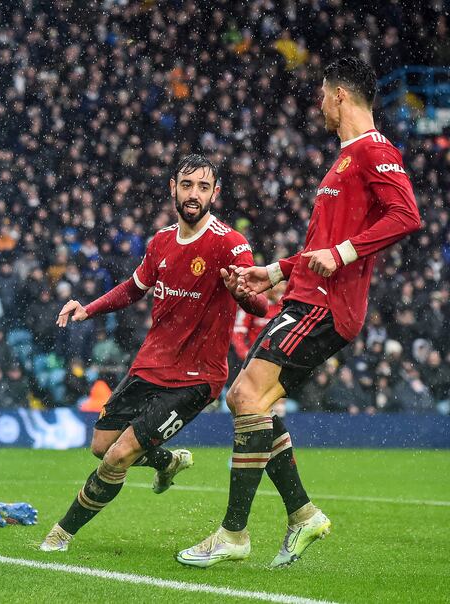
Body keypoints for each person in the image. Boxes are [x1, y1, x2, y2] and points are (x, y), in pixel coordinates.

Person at [176, 57, 420, 569]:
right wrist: (275, 270)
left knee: (245, 394)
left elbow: (406, 215)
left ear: (339, 97)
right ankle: (302, 514)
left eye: (322, 94)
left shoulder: (375, 151)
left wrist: (344, 254)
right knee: (257, 404)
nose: (318, 103)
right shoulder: (343, 160)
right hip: (303, 295)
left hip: (326, 305)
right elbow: (320, 246)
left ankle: (234, 533)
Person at [40, 154, 268, 552]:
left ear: (215, 192)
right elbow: (133, 288)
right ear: (172, 189)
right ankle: (166, 462)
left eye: (203, 187)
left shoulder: (230, 244)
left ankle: (61, 533)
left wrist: (242, 295)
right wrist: (87, 308)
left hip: (195, 379)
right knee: (101, 447)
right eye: (187, 185)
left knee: (118, 457)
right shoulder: (160, 242)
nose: (193, 194)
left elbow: (259, 306)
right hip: (150, 365)